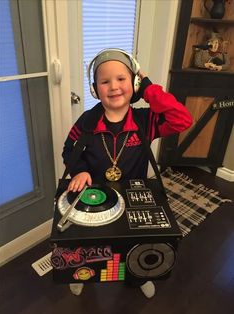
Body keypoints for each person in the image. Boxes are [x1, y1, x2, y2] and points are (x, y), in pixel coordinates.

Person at [62, 48, 193, 298]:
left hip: (135, 197)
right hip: (96, 198)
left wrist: (148, 89)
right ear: (94, 88)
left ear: (133, 83)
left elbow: (182, 119)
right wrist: (78, 171)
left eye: (122, 79)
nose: (114, 86)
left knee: (134, 244)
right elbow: (69, 149)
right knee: (91, 243)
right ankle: (83, 273)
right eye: (105, 81)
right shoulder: (86, 122)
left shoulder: (146, 120)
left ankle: (136, 277)